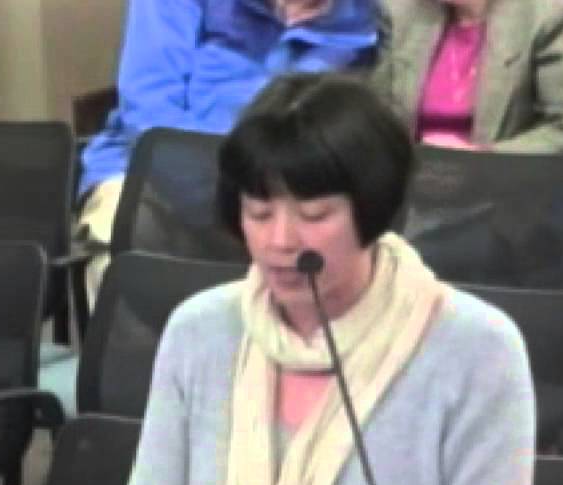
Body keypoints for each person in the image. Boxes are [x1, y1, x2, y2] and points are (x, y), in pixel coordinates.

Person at [88, 73, 535, 485]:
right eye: (258, 211)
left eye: (314, 213)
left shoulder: (474, 350)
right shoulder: (200, 334)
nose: (279, 241)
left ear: (372, 210)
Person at [76, 0, 385, 304]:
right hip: (153, 173)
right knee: (119, 228)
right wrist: (235, 200)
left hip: (284, 186)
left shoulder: (366, 17)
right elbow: (149, 110)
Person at [370, 0, 563, 151]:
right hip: (409, 188)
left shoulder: (548, 13)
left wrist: (482, 157)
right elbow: (377, 115)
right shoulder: (401, 11)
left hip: (505, 192)